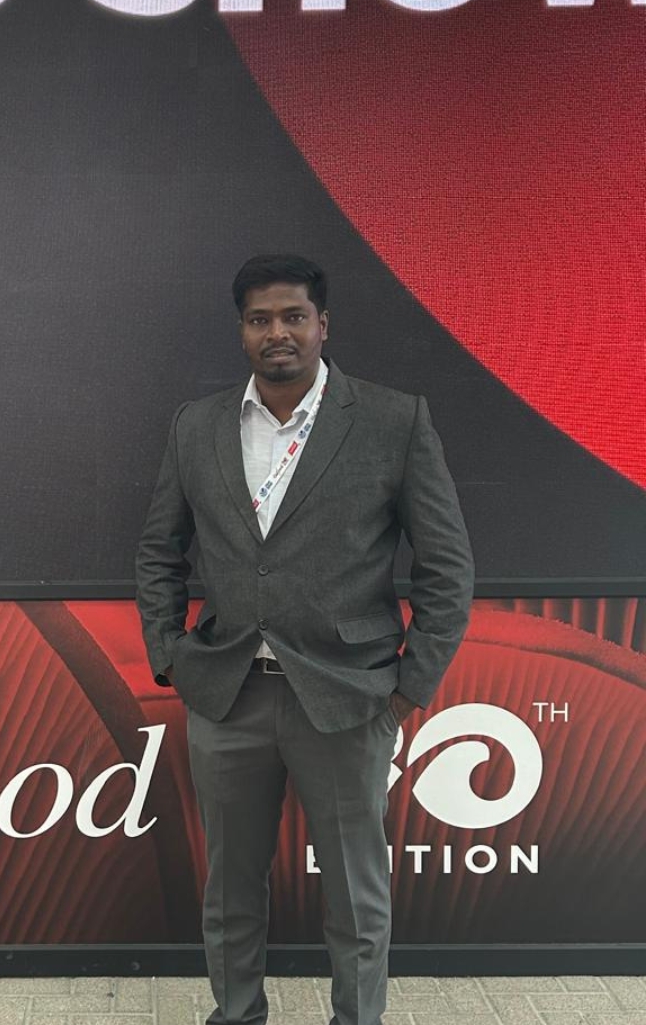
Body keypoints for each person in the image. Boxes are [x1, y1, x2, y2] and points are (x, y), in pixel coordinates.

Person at [135, 254, 474, 1025]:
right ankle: (237, 1015)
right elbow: (159, 550)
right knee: (230, 892)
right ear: (242, 332)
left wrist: (409, 688)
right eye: (260, 320)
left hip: (349, 697)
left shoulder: (393, 420)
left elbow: (447, 567)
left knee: (356, 896)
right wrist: (168, 654)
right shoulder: (198, 426)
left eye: (293, 316)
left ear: (324, 325)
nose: (277, 332)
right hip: (228, 696)